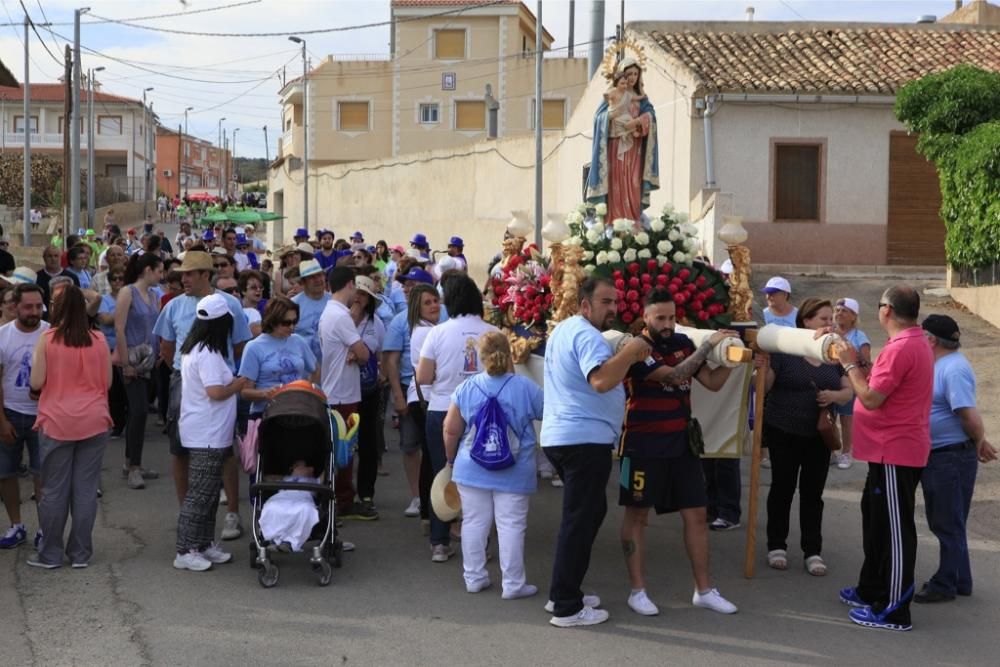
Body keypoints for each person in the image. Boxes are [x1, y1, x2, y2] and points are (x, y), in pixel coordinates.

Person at [617, 288, 739, 616]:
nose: (669, 324)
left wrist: (736, 359)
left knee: (698, 515)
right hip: (640, 446)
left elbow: (712, 382)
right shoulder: (637, 348)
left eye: (672, 317)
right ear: (645, 317)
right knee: (637, 515)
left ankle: (704, 590)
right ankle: (637, 591)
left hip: (682, 444)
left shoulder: (684, 345)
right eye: (661, 318)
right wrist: (710, 346)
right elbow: (674, 375)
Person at [540, 277, 652, 628]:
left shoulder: (565, 330)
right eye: (606, 302)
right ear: (585, 305)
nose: (614, 308)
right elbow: (602, 380)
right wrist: (632, 351)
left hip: (569, 437)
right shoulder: (587, 335)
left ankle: (564, 589)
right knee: (580, 519)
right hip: (582, 439)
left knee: (587, 514)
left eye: (616, 302)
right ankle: (567, 607)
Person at [835, 285, 934, 632]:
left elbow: (872, 397)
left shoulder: (904, 346)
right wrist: (856, 360)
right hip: (886, 449)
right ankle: (872, 587)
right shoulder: (907, 342)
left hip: (896, 449)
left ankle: (894, 608)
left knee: (894, 530)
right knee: (876, 521)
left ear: (887, 310)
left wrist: (849, 366)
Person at [153, 251, 252, 542]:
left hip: (221, 379)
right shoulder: (173, 306)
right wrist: (190, 369)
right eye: (181, 274)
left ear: (205, 275)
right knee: (180, 448)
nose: (182, 279)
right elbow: (167, 347)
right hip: (183, 382)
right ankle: (188, 515)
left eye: (189, 274)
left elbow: (240, 343)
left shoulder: (229, 304)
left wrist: (218, 368)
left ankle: (232, 513)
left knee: (224, 447)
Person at [755, 299, 853, 576]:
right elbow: (764, 387)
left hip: (819, 434)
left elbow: (849, 390)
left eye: (830, 319)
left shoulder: (834, 353)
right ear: (806, 321)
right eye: (823, 319)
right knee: (782, 488)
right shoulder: (786, 349)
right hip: (784, 430)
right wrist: (762, 366)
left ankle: (812, 550)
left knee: (813, 493)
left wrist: (834, 396)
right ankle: (777, 545)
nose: (829, 324)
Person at [442, 331, 543, 598]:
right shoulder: (525, 388)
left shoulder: (466, 388)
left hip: (471, 466)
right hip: (515, 469)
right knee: (510, 525)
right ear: (509, 355)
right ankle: (513, 584)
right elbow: (548, 413)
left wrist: (451, 461)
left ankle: (474, 577)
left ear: (479, 358)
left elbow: (451, 429)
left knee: (474, 522)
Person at [415, 274, 499, 563]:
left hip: (442, 408)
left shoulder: (437, 333)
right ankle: (481, 544)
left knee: (443, 473)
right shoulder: (492, 331)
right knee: (481, 477)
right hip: (484, 412)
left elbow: (423, 376)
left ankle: (439, 543)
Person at [915, 315, 997, 604]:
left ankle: (945, 583)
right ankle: (961, 578)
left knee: (946, 522)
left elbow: (967, 413)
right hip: (945, 454)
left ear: (932, 340)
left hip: (949, 456)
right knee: (951, 520)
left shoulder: (953, 369)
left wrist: (979, 441)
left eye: (922, 334)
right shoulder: (942, 365)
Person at [28, 285, 112, 569]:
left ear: (57, 307)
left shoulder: (48, 339)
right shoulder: (98, 339)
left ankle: (50, 554)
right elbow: (108, 383)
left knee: (54, 490)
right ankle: (80, 554)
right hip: (95, 419)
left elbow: (36, 382)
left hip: (57, 421)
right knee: (85, 490)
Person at [173, 294, 251, 572]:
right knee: (200, 494)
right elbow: (216, 392)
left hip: (211, 430)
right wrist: (239, 384)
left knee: (206, 494)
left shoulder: (201, 348)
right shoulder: (206, 352)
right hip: (205, 431)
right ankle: (185, 549)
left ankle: (204, 544)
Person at [319, 267, 373, 521]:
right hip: (342, 393)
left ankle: (338, 497)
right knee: (344, 450)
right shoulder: (340, 316)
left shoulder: (331, 312)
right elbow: (363, 353)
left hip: (337, 390)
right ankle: (342, 500)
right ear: (350, 284)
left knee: (339, 448)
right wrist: (359, 353)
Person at [384, 281, 438, 519]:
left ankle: (428, 504)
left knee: (430, 451)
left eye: (435, 300)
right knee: (411, 446)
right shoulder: (401, 323)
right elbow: (391, 361)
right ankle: (418, 497)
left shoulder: (441, 321)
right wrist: (397, 394)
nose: (434, 305)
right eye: (428, 302)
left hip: (434, 394)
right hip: (413, 390)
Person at [0, 284, 48, 550]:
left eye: (38, 306)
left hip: (44, 416)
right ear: (15, 306)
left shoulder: (50, 333)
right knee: (6, 473)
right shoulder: (3, 336)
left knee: (43, 475)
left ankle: (44, 529)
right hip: (10, 413)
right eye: (28, 306)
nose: (34, 312)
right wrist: (1, 420)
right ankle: (16, 525)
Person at [585, 57, 659, 223]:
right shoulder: (614, 94)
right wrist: (610, 118)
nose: (632, 78)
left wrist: (639, 121)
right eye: (628, 74)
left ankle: (633, 219)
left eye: (635, 74)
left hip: (635, 149)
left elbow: (651, 116)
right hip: (615, 145)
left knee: (633, 182)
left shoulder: (642, 99)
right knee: (616, 182)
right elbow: (599, 117)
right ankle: (614, 220)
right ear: (621, 77)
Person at [113, 253, 163, 490]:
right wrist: (125, 362)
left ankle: (130, 462)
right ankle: (134, 467)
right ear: (147, 270)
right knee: (140, 410)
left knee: (138, 412)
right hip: (132, 358)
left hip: (148, 359)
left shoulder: (154, 296)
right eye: (159, 270)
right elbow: (119, 328)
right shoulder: (127, 292)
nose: (161, 275)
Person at [239, 297, 317, 423]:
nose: (291, 326)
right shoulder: (254, 347)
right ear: (273, 321)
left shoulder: (298, 340)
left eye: (294, 321)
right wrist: (265, 393)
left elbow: (315, 369)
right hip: (266, 413)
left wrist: (310, 392)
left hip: (297, 410)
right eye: (286, 322)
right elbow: (244, 392)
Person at [348, 275, 386, 519]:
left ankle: (366, 493)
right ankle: (342, 492)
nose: (359, 298)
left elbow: (367, 352)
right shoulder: (341, 319)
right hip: (344, 389)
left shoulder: (376, 323)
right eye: (357, 293)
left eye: (364, 295)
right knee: (344, 443)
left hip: (368, 389)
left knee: (368, 443)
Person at [831, 297, 871, 470]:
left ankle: (846, 452)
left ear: (853, 316)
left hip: (849, 383)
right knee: (829, 418)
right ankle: (831, 449)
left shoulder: (859, 336)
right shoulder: (829, 332)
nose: (839, 313)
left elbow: (866, 364)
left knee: (846, 420)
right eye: (837, 310)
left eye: (844, 311)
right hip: (830, 381)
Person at [291, 259, 331, 363]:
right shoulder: (293, 305)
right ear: (303, 282)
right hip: (302, 368)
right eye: (312, 277)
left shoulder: (334, 302)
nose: (317, 279)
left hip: (330, 367)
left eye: (319, 275)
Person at [605, 69, 645, 159]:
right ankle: (630, 131)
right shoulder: (613, 92)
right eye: (622, 83)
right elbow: (606, 96)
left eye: (626, 84)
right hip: (614, 114)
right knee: (625, 119)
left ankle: (632, 131)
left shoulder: (626, 94)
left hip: (622, 115)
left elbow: (635, 98)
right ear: (616, 83)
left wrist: (642, 95)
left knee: (628, 118)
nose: (625, 86)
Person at [239, 270, 266, 338]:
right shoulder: (237, 308)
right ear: (243, 291)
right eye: (253, 287)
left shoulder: (268, 307)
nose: (258, 290)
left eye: (261, 287)